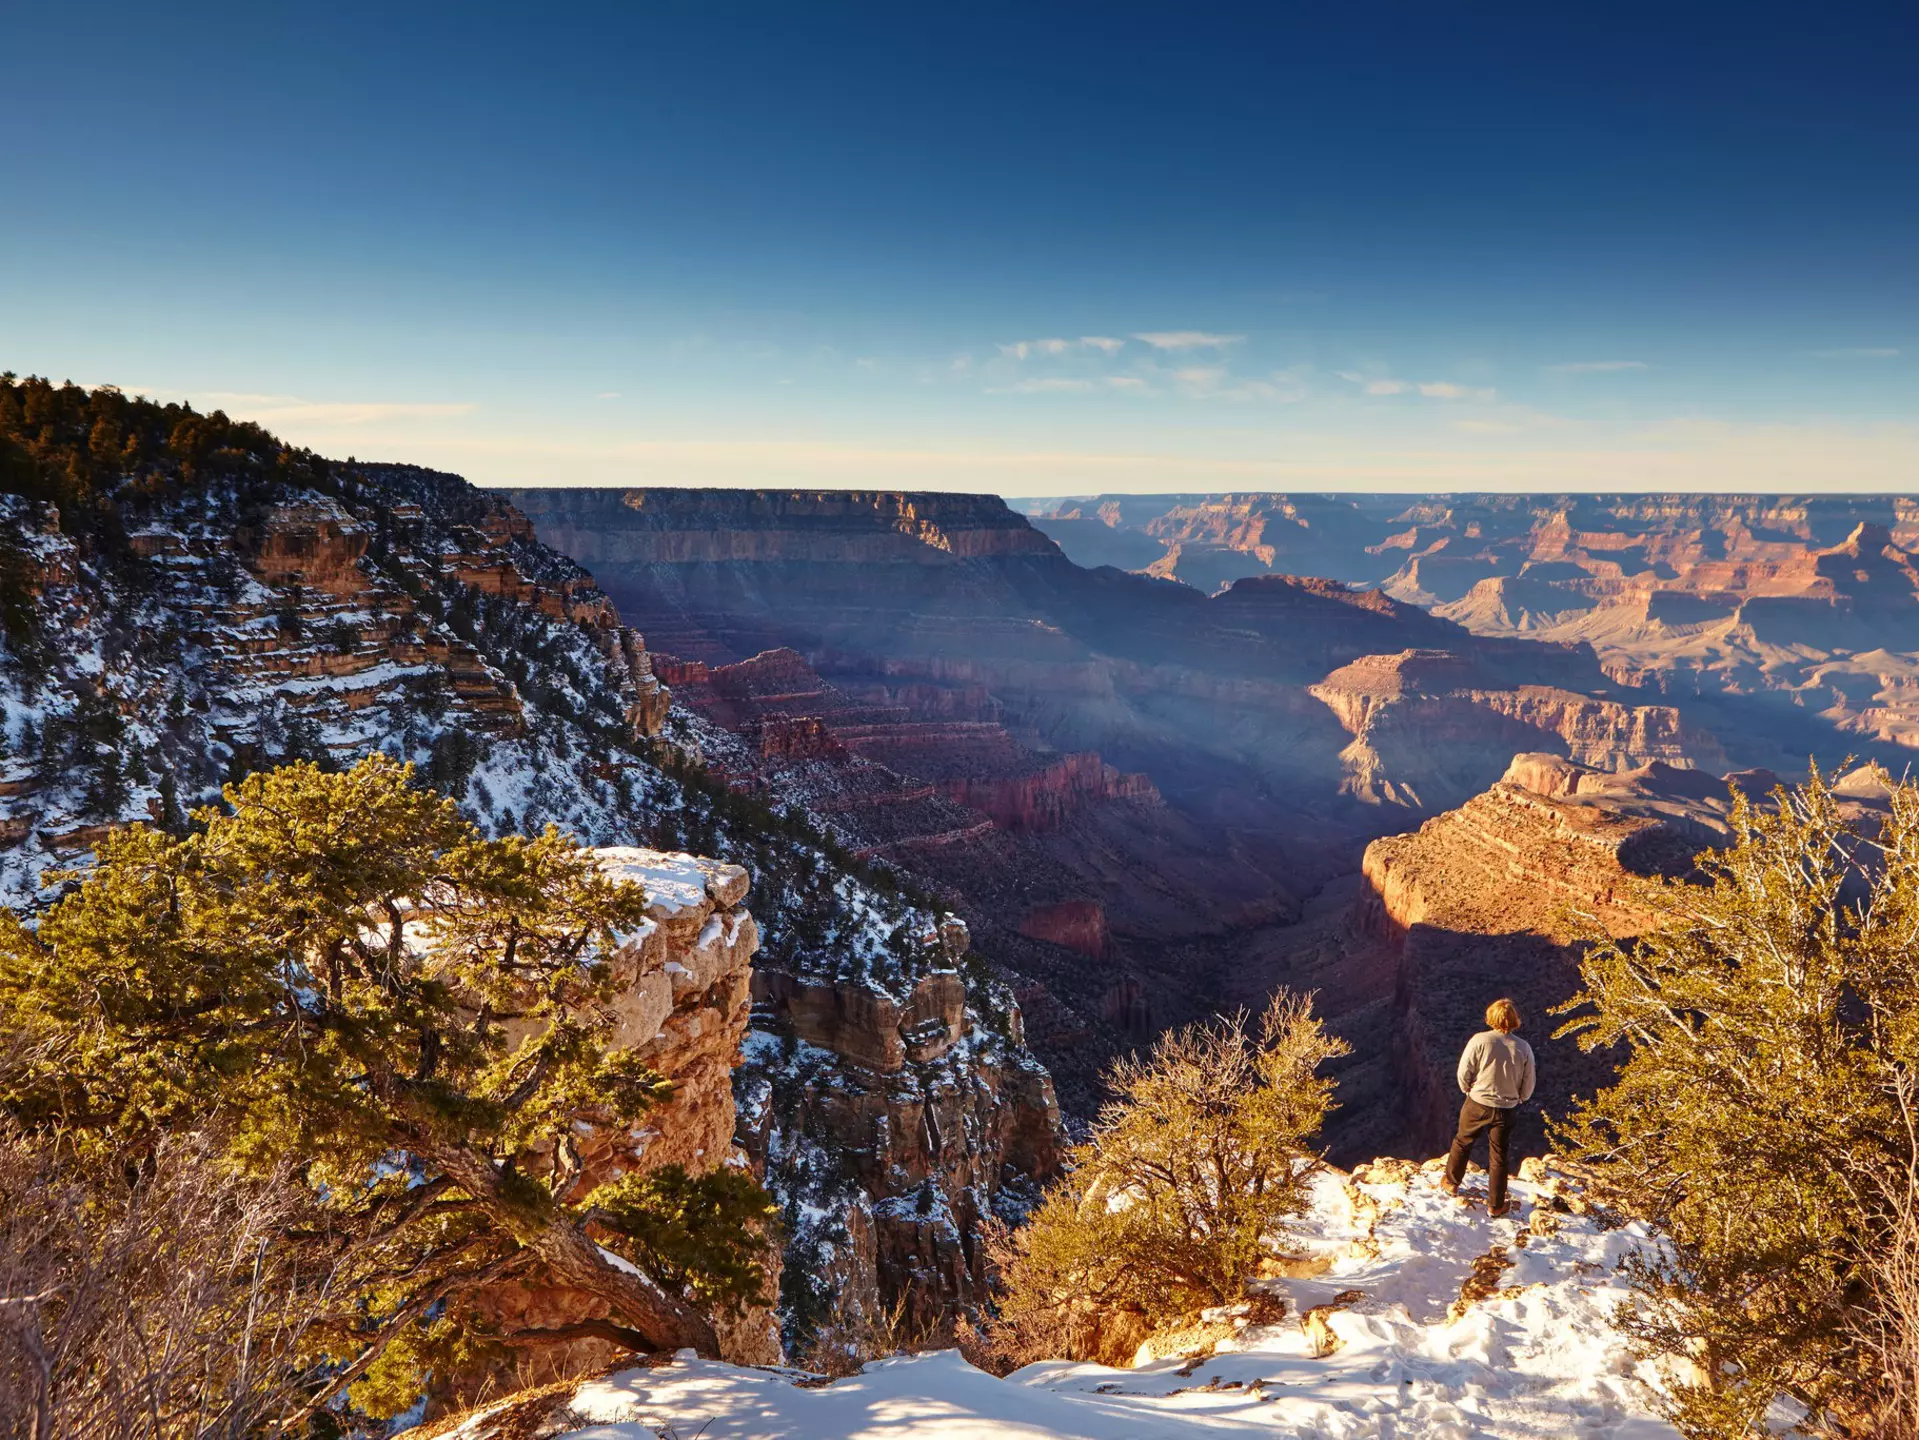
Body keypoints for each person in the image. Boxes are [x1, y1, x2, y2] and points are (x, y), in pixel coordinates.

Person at [1440, 997, 1535, 1218]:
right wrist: (1521, 1098)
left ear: (1491, 1018)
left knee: (1463, 1142)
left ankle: (1451, 1183)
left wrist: (1467, 1089)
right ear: (1514, 1020)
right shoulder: (1523, 1048)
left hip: (1477, 1103)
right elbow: (1529, 1081)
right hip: (1506, 1108)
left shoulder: (1479, 1040)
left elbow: (1464, 1071)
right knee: (1499, 1155)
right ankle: (1495, 1205)